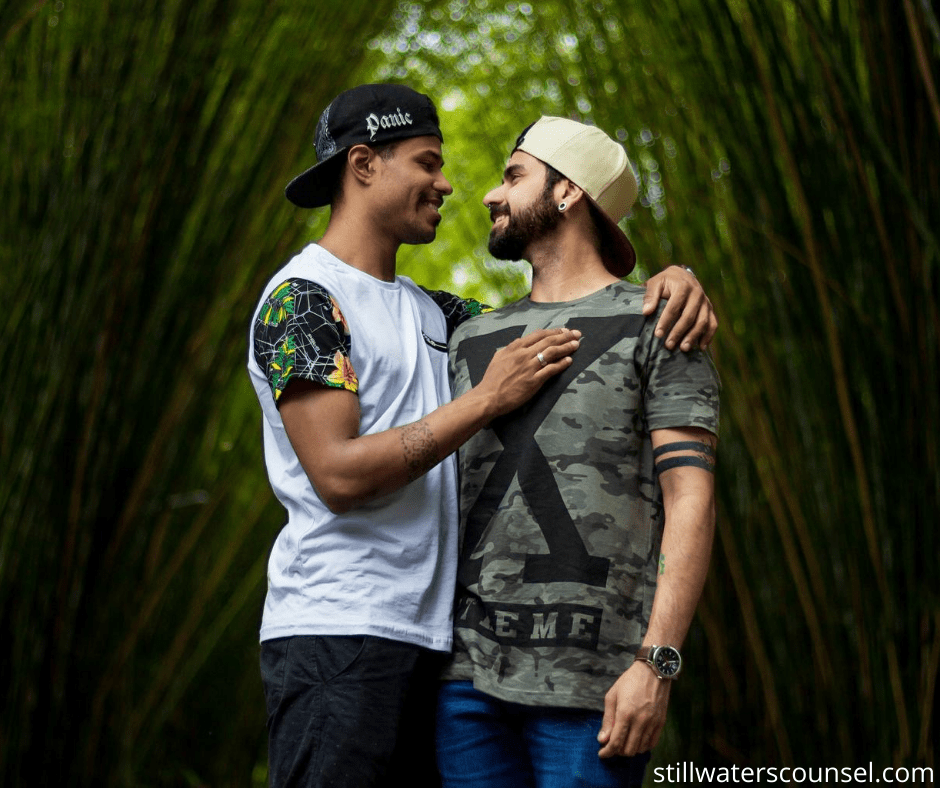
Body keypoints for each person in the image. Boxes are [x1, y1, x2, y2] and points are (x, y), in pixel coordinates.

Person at [247, 84, 715, 788]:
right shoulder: (305, 300)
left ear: (568, 194)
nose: (456, 186)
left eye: (509, 175)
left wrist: (674, 279)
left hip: (436, 649)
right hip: (338, 636)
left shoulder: (445, 319)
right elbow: (338, 477)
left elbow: (574, 310)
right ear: (364, 164)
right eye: (429, 161)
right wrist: (487, 399)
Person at [436, 116, 721, 788]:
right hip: (463, 687)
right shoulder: (471, 337)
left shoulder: (662, 321)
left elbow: (691, 500)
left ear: (566, 191)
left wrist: (658, 663)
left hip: (596, 687)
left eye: (512, 176)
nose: (489, 196)